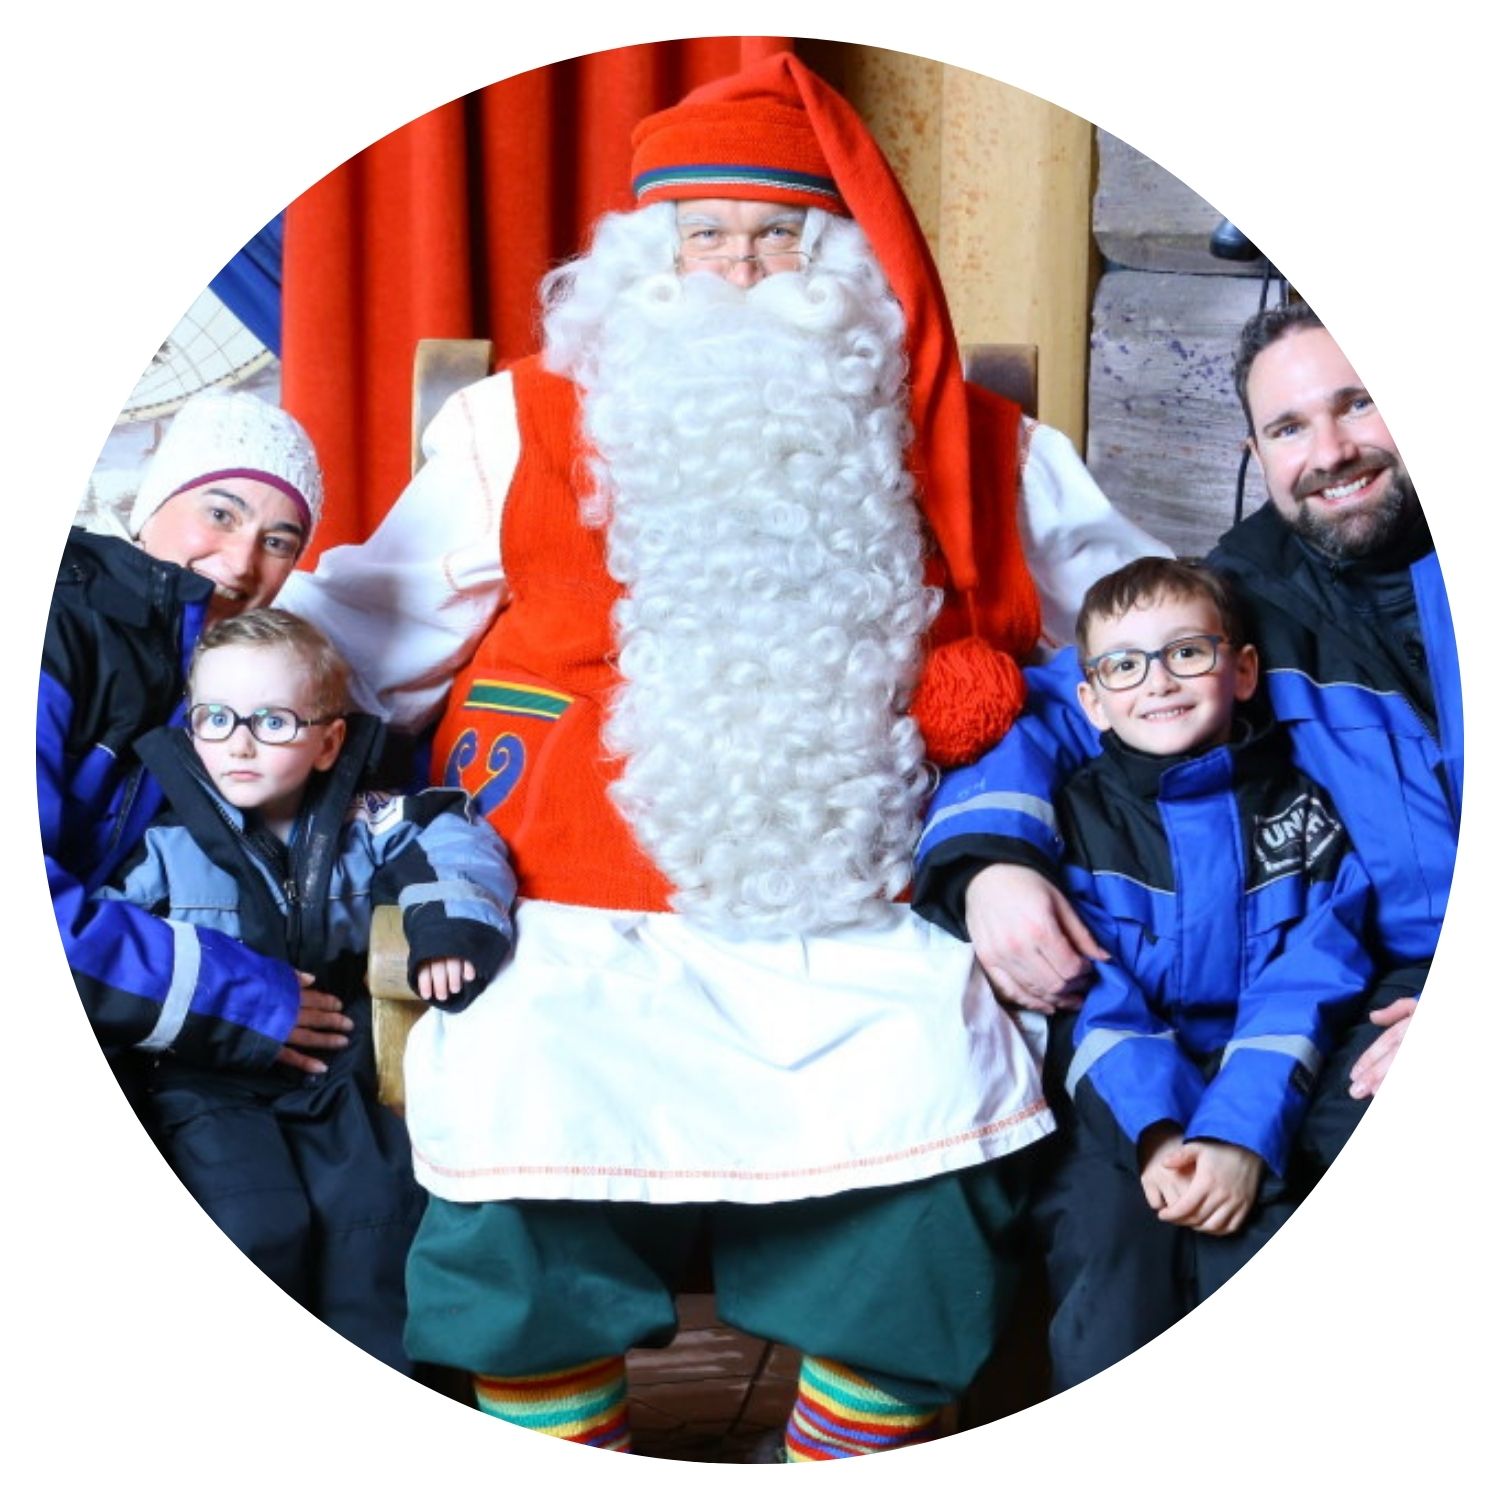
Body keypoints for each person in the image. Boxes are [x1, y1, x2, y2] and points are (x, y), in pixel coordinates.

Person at [281, 54, 1161, 1459]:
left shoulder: (974, 444)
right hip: (567, 893)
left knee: (929, 1082)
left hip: (854, 901)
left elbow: (1135, 635)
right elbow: (370, 616)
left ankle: (835, 1456)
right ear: (647, 257)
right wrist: (225, 645)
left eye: (780, 237)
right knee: (514, 1089)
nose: (741, 268)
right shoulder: (512, 420)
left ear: (844, 261)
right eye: (706, 236)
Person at [915, 303, 1460, 1192]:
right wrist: (989, 865)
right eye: (1290, 427)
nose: (1329, 454)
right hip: (1379, 983)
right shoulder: (1249, 599)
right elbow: (1054, 707)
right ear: (1257, 456)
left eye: (1359, 404)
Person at [101, 608, 517, 1371]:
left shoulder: (367, 821)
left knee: (377, 1222)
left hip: (334, 1071)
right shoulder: (158, 839)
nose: (241, 741)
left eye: (274, 720)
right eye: (216, 718)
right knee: (252, 1225)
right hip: (200, 1080)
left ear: (329, 742)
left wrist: (449, 929)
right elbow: (111, 948)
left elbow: (452, 833)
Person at [1035, 555, 1374, 1388]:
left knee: (1260, 1239)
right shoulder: (1073, 820)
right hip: (1120, 1109)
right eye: (1124, 665)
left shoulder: (1307, 813)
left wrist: (1236, 1133)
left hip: (1264, 1090)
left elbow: (1307, 982)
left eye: (1187, 651)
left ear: (1243, 669)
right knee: (1109, 1248)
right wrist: (1158, 1132)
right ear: (1093, 701)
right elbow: (1092, 995)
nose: (1158, 682)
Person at [41, 389, 358, 1109]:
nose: (243, 562)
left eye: (279, 541)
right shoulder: (54, 625)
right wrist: (235, 998)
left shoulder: (214, 678)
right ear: (153, 504)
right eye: (220, 513)